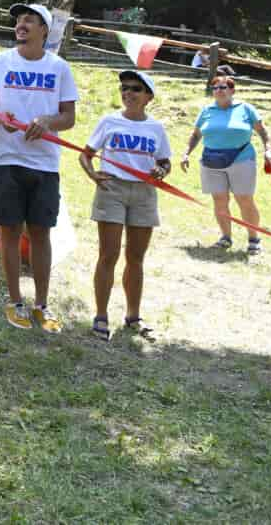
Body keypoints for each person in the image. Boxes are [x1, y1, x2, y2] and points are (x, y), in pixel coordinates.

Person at [0, 2, 78, 333]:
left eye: (29, 21)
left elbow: (69, 117)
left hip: (45, 163)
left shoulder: (59, 68)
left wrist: (48, 121)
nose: (21, 25)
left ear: (44, 31)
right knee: (9, 230)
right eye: (19, 20)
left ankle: (42, 305)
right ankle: (15, 301)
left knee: (40, 233)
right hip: (5, 159)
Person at [80, 70, 172, 341]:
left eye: (135, 89)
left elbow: (165, 161)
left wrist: (161, 170)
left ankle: (133, 317)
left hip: (144, 193)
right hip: (113, 189)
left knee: (136, 258)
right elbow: (86, 155)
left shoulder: (156, 128)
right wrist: (93, 174)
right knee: (108, 255)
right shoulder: (109, 121)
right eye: (124, 88)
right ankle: (100, 315)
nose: (128, 93)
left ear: (148, 97)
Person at [180, 74, 271, 255]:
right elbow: (196, 135)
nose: (218, 91)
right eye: (215, 88)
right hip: (211, 161)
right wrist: (186, 153)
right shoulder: (206, 110)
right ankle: (225, 237)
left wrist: (268, 150)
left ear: (232, 90)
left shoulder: (245, 109)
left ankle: (254, 239)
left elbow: (263, 131)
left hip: (241, 159)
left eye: (222, 87)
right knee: (219, 200)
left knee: (244, 199)